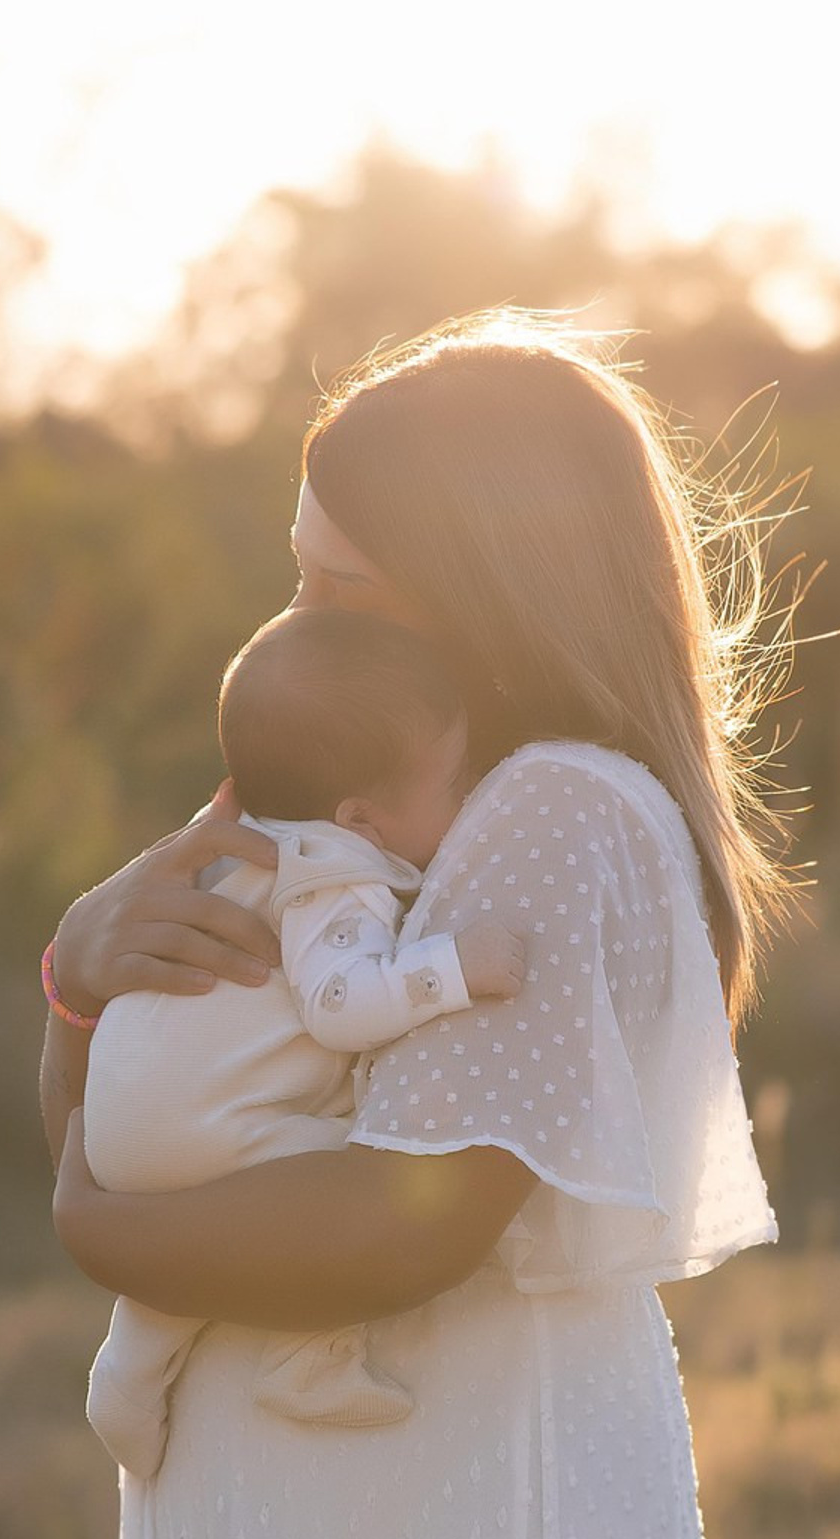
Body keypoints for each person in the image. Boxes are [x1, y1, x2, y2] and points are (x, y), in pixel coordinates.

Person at [42, 308, 797, 1539]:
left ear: (484, 583)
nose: (299, 632)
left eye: (340, 588)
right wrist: (86, 966)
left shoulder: (559, 811)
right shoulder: (342, 809)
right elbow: (145, 1091)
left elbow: (419, 1210)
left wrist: (101, 1233)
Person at [81, 605, 529, 1479]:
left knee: (264, 1173)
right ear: (359, 816)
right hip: (193, 1124)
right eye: (454, 783)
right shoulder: (339, 877)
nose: (471, 793)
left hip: (136, 1122)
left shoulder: (264, 848)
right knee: (354, 1174)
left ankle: (129, 1369)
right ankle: (307, 1355)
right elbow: (336, 1004)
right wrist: (454, 967)